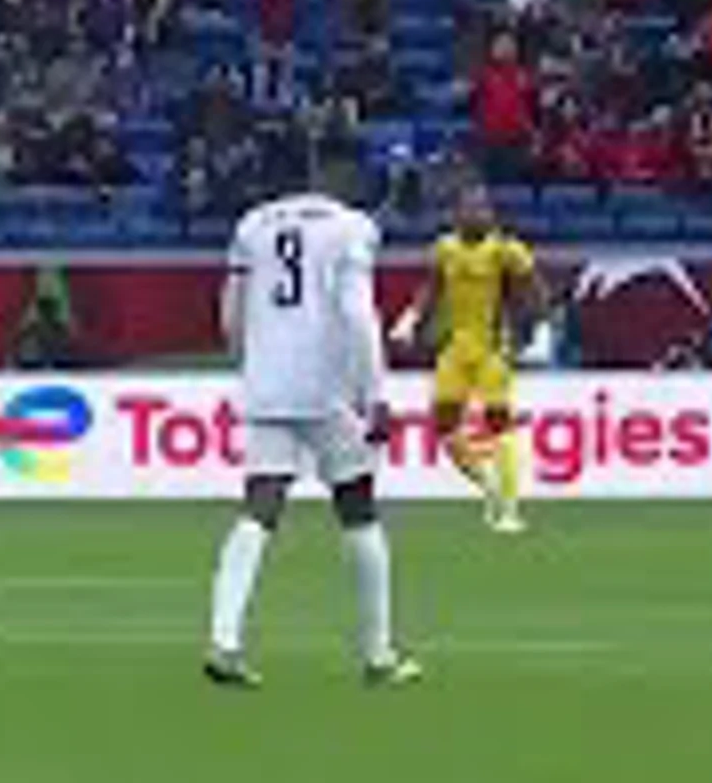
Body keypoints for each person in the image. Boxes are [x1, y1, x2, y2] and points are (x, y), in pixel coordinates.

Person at [208, 131, 419, 690]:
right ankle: (378, 655)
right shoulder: (352, 228)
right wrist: (374, 395)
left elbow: (229, 312)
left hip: (269, 383)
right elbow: (358, 315)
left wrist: (247, 365)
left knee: (259, 507)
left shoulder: (252, 226)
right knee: (358, 508)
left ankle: (224, 640)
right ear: (332, 173)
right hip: (326, 389)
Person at [413, 178, 539, 534]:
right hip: (455, 349)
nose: (478, 214)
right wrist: (412, 322)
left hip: (492, 348)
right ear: (456, 214)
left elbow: (534, 293)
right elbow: (431, 289)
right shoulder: (445, 249)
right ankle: (489, 487)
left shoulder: (506, 251)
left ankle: (512, 511)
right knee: (443, 425)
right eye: (470, 208)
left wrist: (525, 336)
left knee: (498, 422)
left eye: (483, 208)